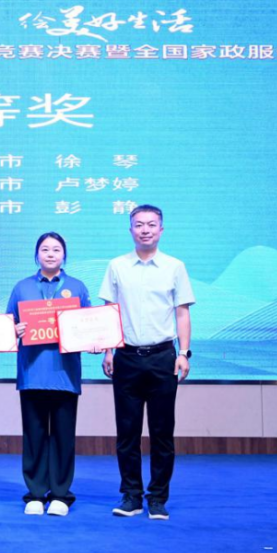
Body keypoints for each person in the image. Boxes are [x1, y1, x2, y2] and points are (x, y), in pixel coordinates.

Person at [99, 205, 194, 521]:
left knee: (162, 432)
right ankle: (131, 496)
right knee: (127, 432)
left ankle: (157, 498)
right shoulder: (116, 266)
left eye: (151, 225)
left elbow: (182, 312)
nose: (145, 230)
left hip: (163, 357)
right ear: (130, 230)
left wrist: (184, 353)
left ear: (161, 230)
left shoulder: (175, 267)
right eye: (139, 224)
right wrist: (108, 351)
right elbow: (109, 311)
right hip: (126, 357)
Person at [7, 232, 90, 517]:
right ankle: (34, 493)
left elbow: (90, 326)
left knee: (63, 438)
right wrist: (14, 330)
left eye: (56, 249)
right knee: (34, 436)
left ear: (64, 255)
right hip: (32, 373)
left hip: (65, 374)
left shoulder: (77, 287)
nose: (51, 254)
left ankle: (60, 495)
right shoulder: (22, 287)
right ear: (36, 255)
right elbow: (6, 326)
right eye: (45, 249)